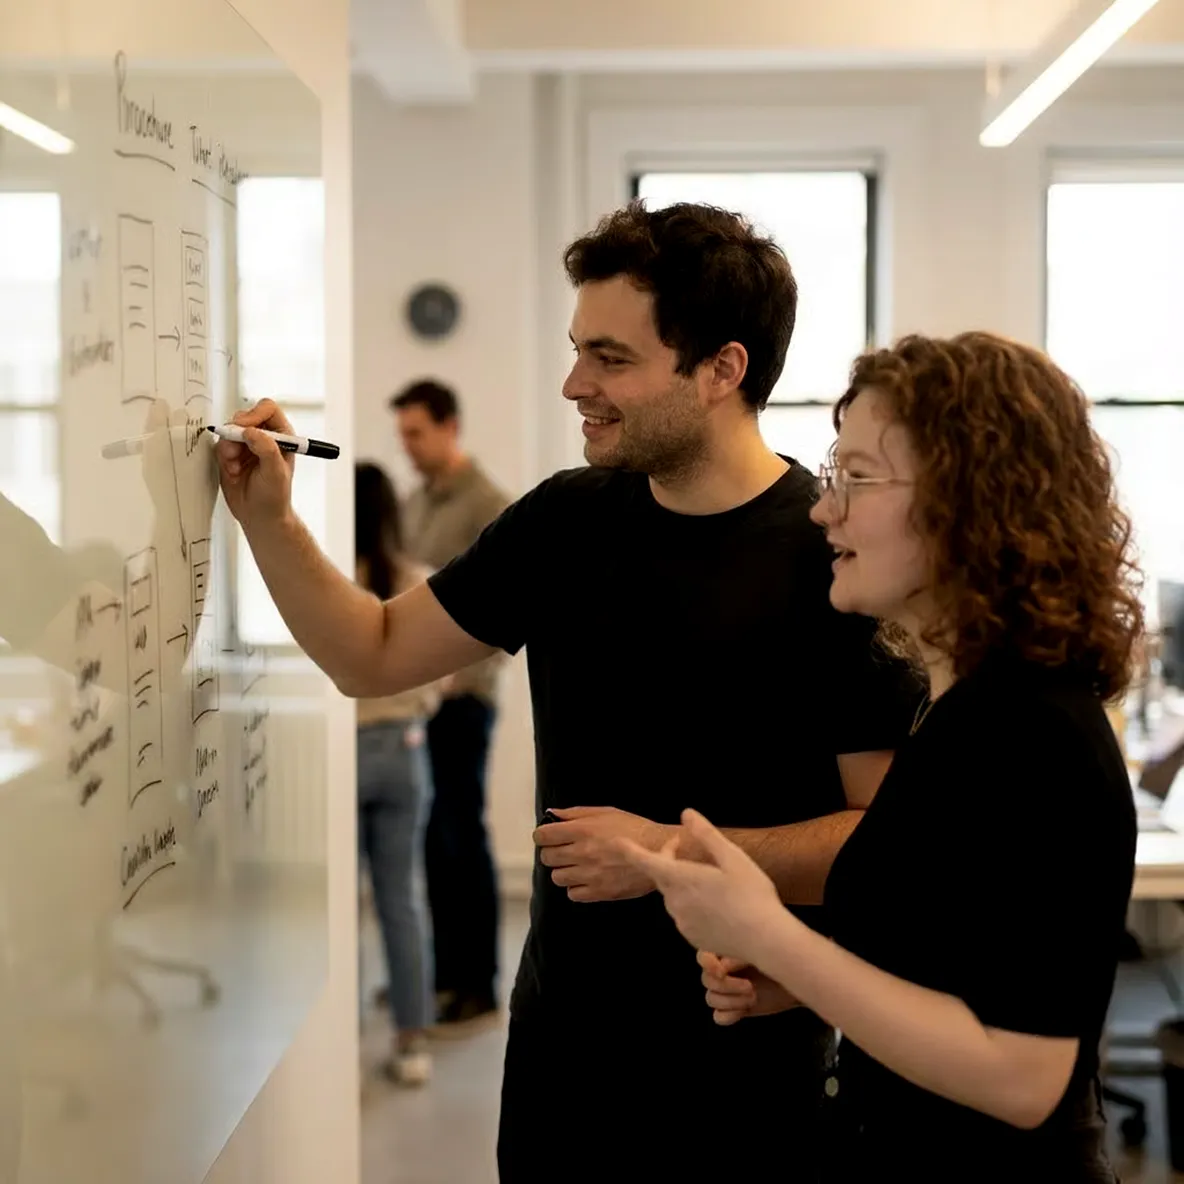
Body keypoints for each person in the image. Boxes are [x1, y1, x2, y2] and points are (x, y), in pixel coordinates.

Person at [214, 200, 920, 1182]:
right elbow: (369, 654)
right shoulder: (564, 520)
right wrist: (267, 517)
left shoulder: (832, 557)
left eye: (610, 357)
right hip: (561, 1048)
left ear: (721, 369)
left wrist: (666, 850)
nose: (573, 383)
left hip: (743, 1067)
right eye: (576, 350)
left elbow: (887, 848)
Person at [621, 332, 1142, 1184]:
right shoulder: (959, 708)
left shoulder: (1032, 732)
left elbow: (1023, 1076)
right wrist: (796, 981)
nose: (825, 509)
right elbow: (956, 958)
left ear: (973, 501)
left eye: (856, 479)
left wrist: (770, 935)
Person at [389, 379, 510, 1029]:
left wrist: (454, 684)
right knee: (433, 844)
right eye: (402, 434)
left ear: (449, 427)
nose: (407, 446)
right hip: (418, 706)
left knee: (463, 840)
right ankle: (437, 975)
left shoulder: (488, 506)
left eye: (416, 433)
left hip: (461, 705)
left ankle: (479, 985)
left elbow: (499, 617)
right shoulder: (414, 506)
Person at [354, 461, 440, 1085]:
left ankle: (340, 1034)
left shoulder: (333, 583)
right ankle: (413, 1044)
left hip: (350, 752)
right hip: (406, 751)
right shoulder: (414, 581)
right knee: (402, 902)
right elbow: (443, 678)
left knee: (337, 904)